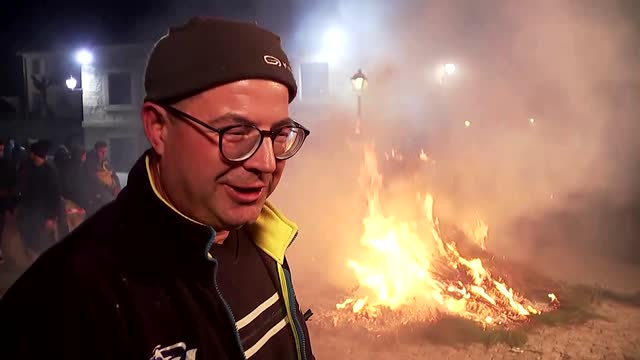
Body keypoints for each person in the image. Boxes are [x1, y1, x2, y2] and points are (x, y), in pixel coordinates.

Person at [0, 17, 314, 359]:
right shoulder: (68, 300)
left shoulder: (264, 238)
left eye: (280, 134)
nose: (267, 163)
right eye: (236, 133)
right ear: (159, 128)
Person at [14, 140, 61, 259]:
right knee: (27, 228)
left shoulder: (50, 171)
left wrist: (51, 217)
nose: (30, 155)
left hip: (45, 209)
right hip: (29, 208)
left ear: (36, 154)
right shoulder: (26, 167)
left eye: (32, 153)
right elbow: (20, 186)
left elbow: (54, 196)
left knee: (47, 237)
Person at [84, 140, 121, 215]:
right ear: (96, 151)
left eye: (105, 152)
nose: (104, 154)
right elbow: (93, 178)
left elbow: (114, 175)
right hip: (99, 192)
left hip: (111, 190)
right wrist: (108, 187)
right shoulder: (91, 162)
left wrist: (117, 187)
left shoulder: (107, 162)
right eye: (101, 152)